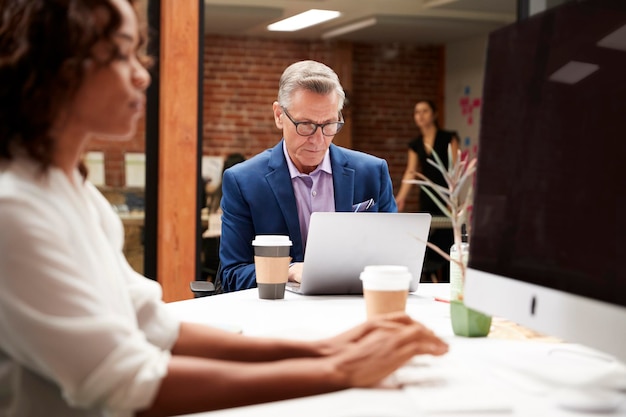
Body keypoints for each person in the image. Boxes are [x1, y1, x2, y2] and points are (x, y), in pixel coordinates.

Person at [0, 1, 448, 416]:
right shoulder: (14, 209)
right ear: (57, 69)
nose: (143, 75)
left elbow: (153, 323)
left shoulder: (72, 190)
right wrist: (337, 371)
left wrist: (329, 350)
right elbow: (125, 381)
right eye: (121, 55)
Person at [218, 60, 398, 292]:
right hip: (277, 317)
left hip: (355, 309)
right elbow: (231, 274)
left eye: (329, 125)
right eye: (305, 125)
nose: (317, 139)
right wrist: (289, 270)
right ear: (279, 115)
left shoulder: (372, 172)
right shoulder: (243, 182)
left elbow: (395, 260)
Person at [395, 100, 460, 282]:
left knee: (448, 246)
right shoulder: (415, 144)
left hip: (447, 197)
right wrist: (400, 199)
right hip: (427, 198)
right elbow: (411, 171)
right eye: (417, 112)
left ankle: (449, 284)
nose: (420, 115)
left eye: (424, 111)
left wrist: (454, 200)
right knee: (427, 246)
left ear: (434, 114)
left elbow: (455, 169)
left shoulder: (448, 138)